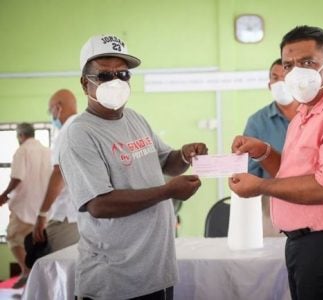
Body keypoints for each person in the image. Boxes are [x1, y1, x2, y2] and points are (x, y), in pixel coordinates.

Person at [229, 25, 323, 299]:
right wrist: (263, 151)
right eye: (289, 65)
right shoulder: (308, 107)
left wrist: (261, 186)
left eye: (307, 62)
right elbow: (292, 173)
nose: (296, 72)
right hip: (310, 244)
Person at [58, 34, 207, 300]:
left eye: (123, 74)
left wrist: (184, 155)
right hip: (115, 281)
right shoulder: (80, 134)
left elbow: (166, 162)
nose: (116, 82)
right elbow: (99, 205)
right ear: (85, 84)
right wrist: (167, 192)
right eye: (105, 75)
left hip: (157, 273)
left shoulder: (135, 118)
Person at [0, 123, 52, 288]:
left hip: (24, 207)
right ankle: (39, 277)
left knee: (14, 239)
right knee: (39, 245)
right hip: (44, 209)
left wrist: (3, 195)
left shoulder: (22, 151)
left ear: (21, 135)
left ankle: (27, 272)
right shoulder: (48, 152)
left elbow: (17, 178)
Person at [32, 89, 80, 253]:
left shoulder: (67, 130)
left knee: (62, 269)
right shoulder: (84, 127)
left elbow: (59, 173)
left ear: (58, 107)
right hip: (83, 216)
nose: (51, 115)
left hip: (66, 216)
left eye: (50, 110)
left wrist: (42, 213)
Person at [243, 58, 298, 179]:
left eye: (285, 77)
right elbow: (250, 172)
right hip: (272, 194)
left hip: (313, 192)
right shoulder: (257, 122)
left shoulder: (315, 115)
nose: (281, 83)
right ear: (269, 85)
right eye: (275, 78)